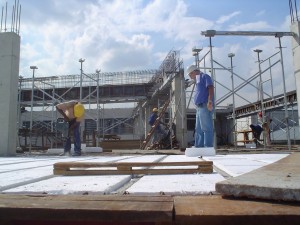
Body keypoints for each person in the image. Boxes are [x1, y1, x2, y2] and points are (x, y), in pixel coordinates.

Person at [187, 65, 214, 147]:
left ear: (194, 72)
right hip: (199, 107)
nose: (190, 77)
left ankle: (208, 147)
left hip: (204, 105)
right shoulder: (198, 80)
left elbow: (210, 88)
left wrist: (210, 101)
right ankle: (198, 146)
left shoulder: (204, 76)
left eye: (190, 74)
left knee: (206, 127)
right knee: (198, 129)